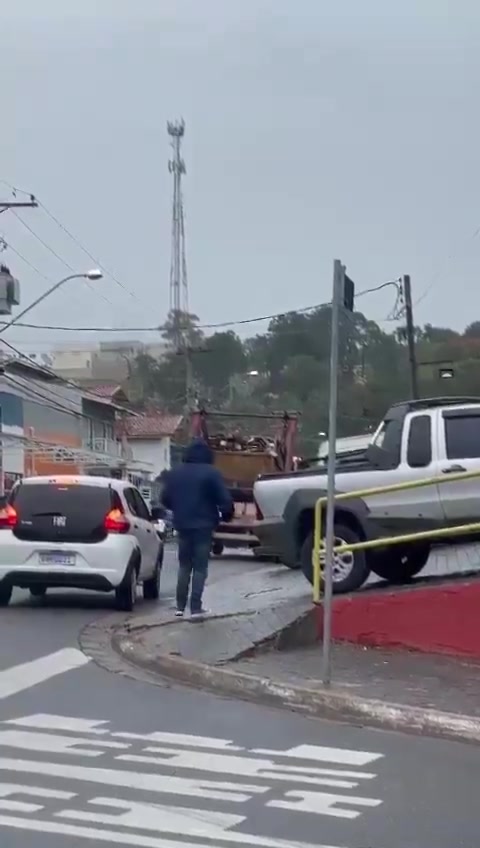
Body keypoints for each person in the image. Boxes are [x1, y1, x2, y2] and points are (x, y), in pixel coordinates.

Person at [161, 438, 234, 620]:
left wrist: (178, 508)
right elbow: (224, 500)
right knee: (200, 567)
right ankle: (195, 608)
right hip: (204, 526)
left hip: (182, 525)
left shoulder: (175, 473)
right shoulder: (211, 473)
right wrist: (226, 515)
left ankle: (179, 607)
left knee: (184, 565)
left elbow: (164, 498)